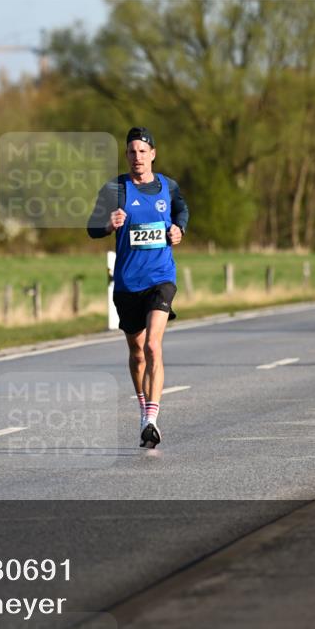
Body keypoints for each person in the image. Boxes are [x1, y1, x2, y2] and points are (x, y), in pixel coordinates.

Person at [87, 127, 188, 449]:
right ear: (126, 156)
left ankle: (151, 419)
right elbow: (92, 228)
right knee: (136, 352)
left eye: (142, 151)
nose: (137, 157)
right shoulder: (115, 189)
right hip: (128, 282)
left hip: (161, 278)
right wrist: (108, 224)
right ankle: (143, 406)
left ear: (153, 154)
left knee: (153, 347)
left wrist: (178, 230)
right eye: (131, 152)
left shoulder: (167, 186)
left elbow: (181, 211)